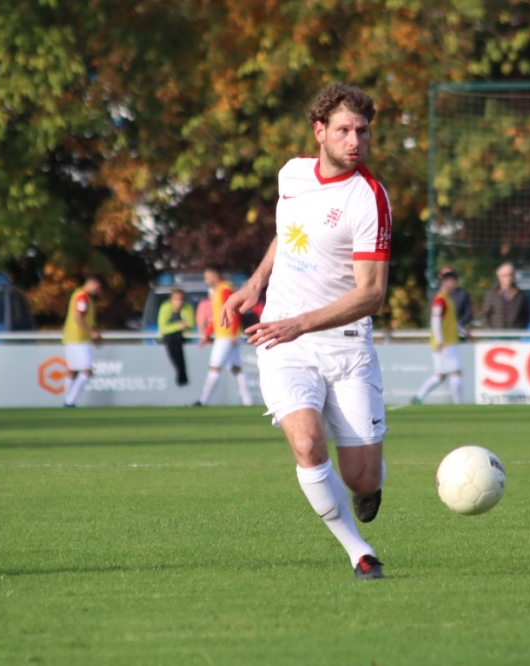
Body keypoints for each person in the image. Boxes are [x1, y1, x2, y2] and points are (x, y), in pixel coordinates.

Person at [220, 83, 391, 581]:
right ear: (319, 131)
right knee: (307, 444)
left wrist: (303, 322)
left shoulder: (369, 199)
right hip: (284, 343)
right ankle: (359, 552)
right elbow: (287, 230)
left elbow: (372, 294)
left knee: (361, 478)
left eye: (362, 131)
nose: (355, 141)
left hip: (346, 346)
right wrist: (255, 284)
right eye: (344, 130)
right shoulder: (292, 174)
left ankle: (368, 484)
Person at [196, 267, 253, 407]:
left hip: (226, 336)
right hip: (226, 335)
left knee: (214, 367)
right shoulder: (217, 291)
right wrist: (207, 334)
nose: (206, 280)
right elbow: (217, 317)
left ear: (215, 275)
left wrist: (233, 334)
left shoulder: (224, 290)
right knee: (236, 368)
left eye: (207, 277)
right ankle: (247, 401)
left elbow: (235, 311)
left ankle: (203, 401)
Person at [412, 270, 463, 405]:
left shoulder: (448, 299)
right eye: (453, 282)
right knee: (456, 372)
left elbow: (451, 322)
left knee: (440, 375)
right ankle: (458, 404)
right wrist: (440, 341)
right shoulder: (440, 300)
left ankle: (419, 397)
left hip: (447, 342)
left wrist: (464, 331)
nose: (454, 285)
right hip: (445, 343)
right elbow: (435, 321)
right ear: (445, 282)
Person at [61, 274, 104, 408]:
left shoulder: (79, 295)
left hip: (72, 337)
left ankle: (67, 400)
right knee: (87, 370)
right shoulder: (83, 297)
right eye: (98, 287)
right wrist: (91, 333)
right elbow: (78, 317)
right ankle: (70, 401)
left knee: (72, 370)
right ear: (92, 282)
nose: (98, 291)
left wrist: (93, 333)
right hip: (79, 339)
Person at [157, 288, 195, 388]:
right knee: (172, 339)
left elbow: (190, 324)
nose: (178, 302)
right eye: (176, 299)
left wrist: (180, 328)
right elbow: (162, 328)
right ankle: (181, 372)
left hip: (181, 337)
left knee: (175, 340)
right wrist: (178, 326)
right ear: (171, 300)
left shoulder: (188, 308)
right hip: (170, 337)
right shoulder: (165, 307)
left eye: (181, 299)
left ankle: (181, 373)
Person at [481, 262, 530, 329]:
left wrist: (520, 328)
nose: (508, 278)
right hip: (496, 333)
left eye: (510, 275)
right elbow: (485, 315)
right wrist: (490, 330)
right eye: (505, 275)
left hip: (515, 333)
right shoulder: (491, 294)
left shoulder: (521, 295)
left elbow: (526, 315)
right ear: (499, 277)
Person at [438, 265, 473, 339]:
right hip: (443, 336)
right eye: (447, 277)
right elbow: (435, 320)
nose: (450, 281)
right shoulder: (438, 298)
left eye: (451, 277)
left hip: (458, 334)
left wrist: (459, 324)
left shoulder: (462, 293)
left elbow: (468, 313)